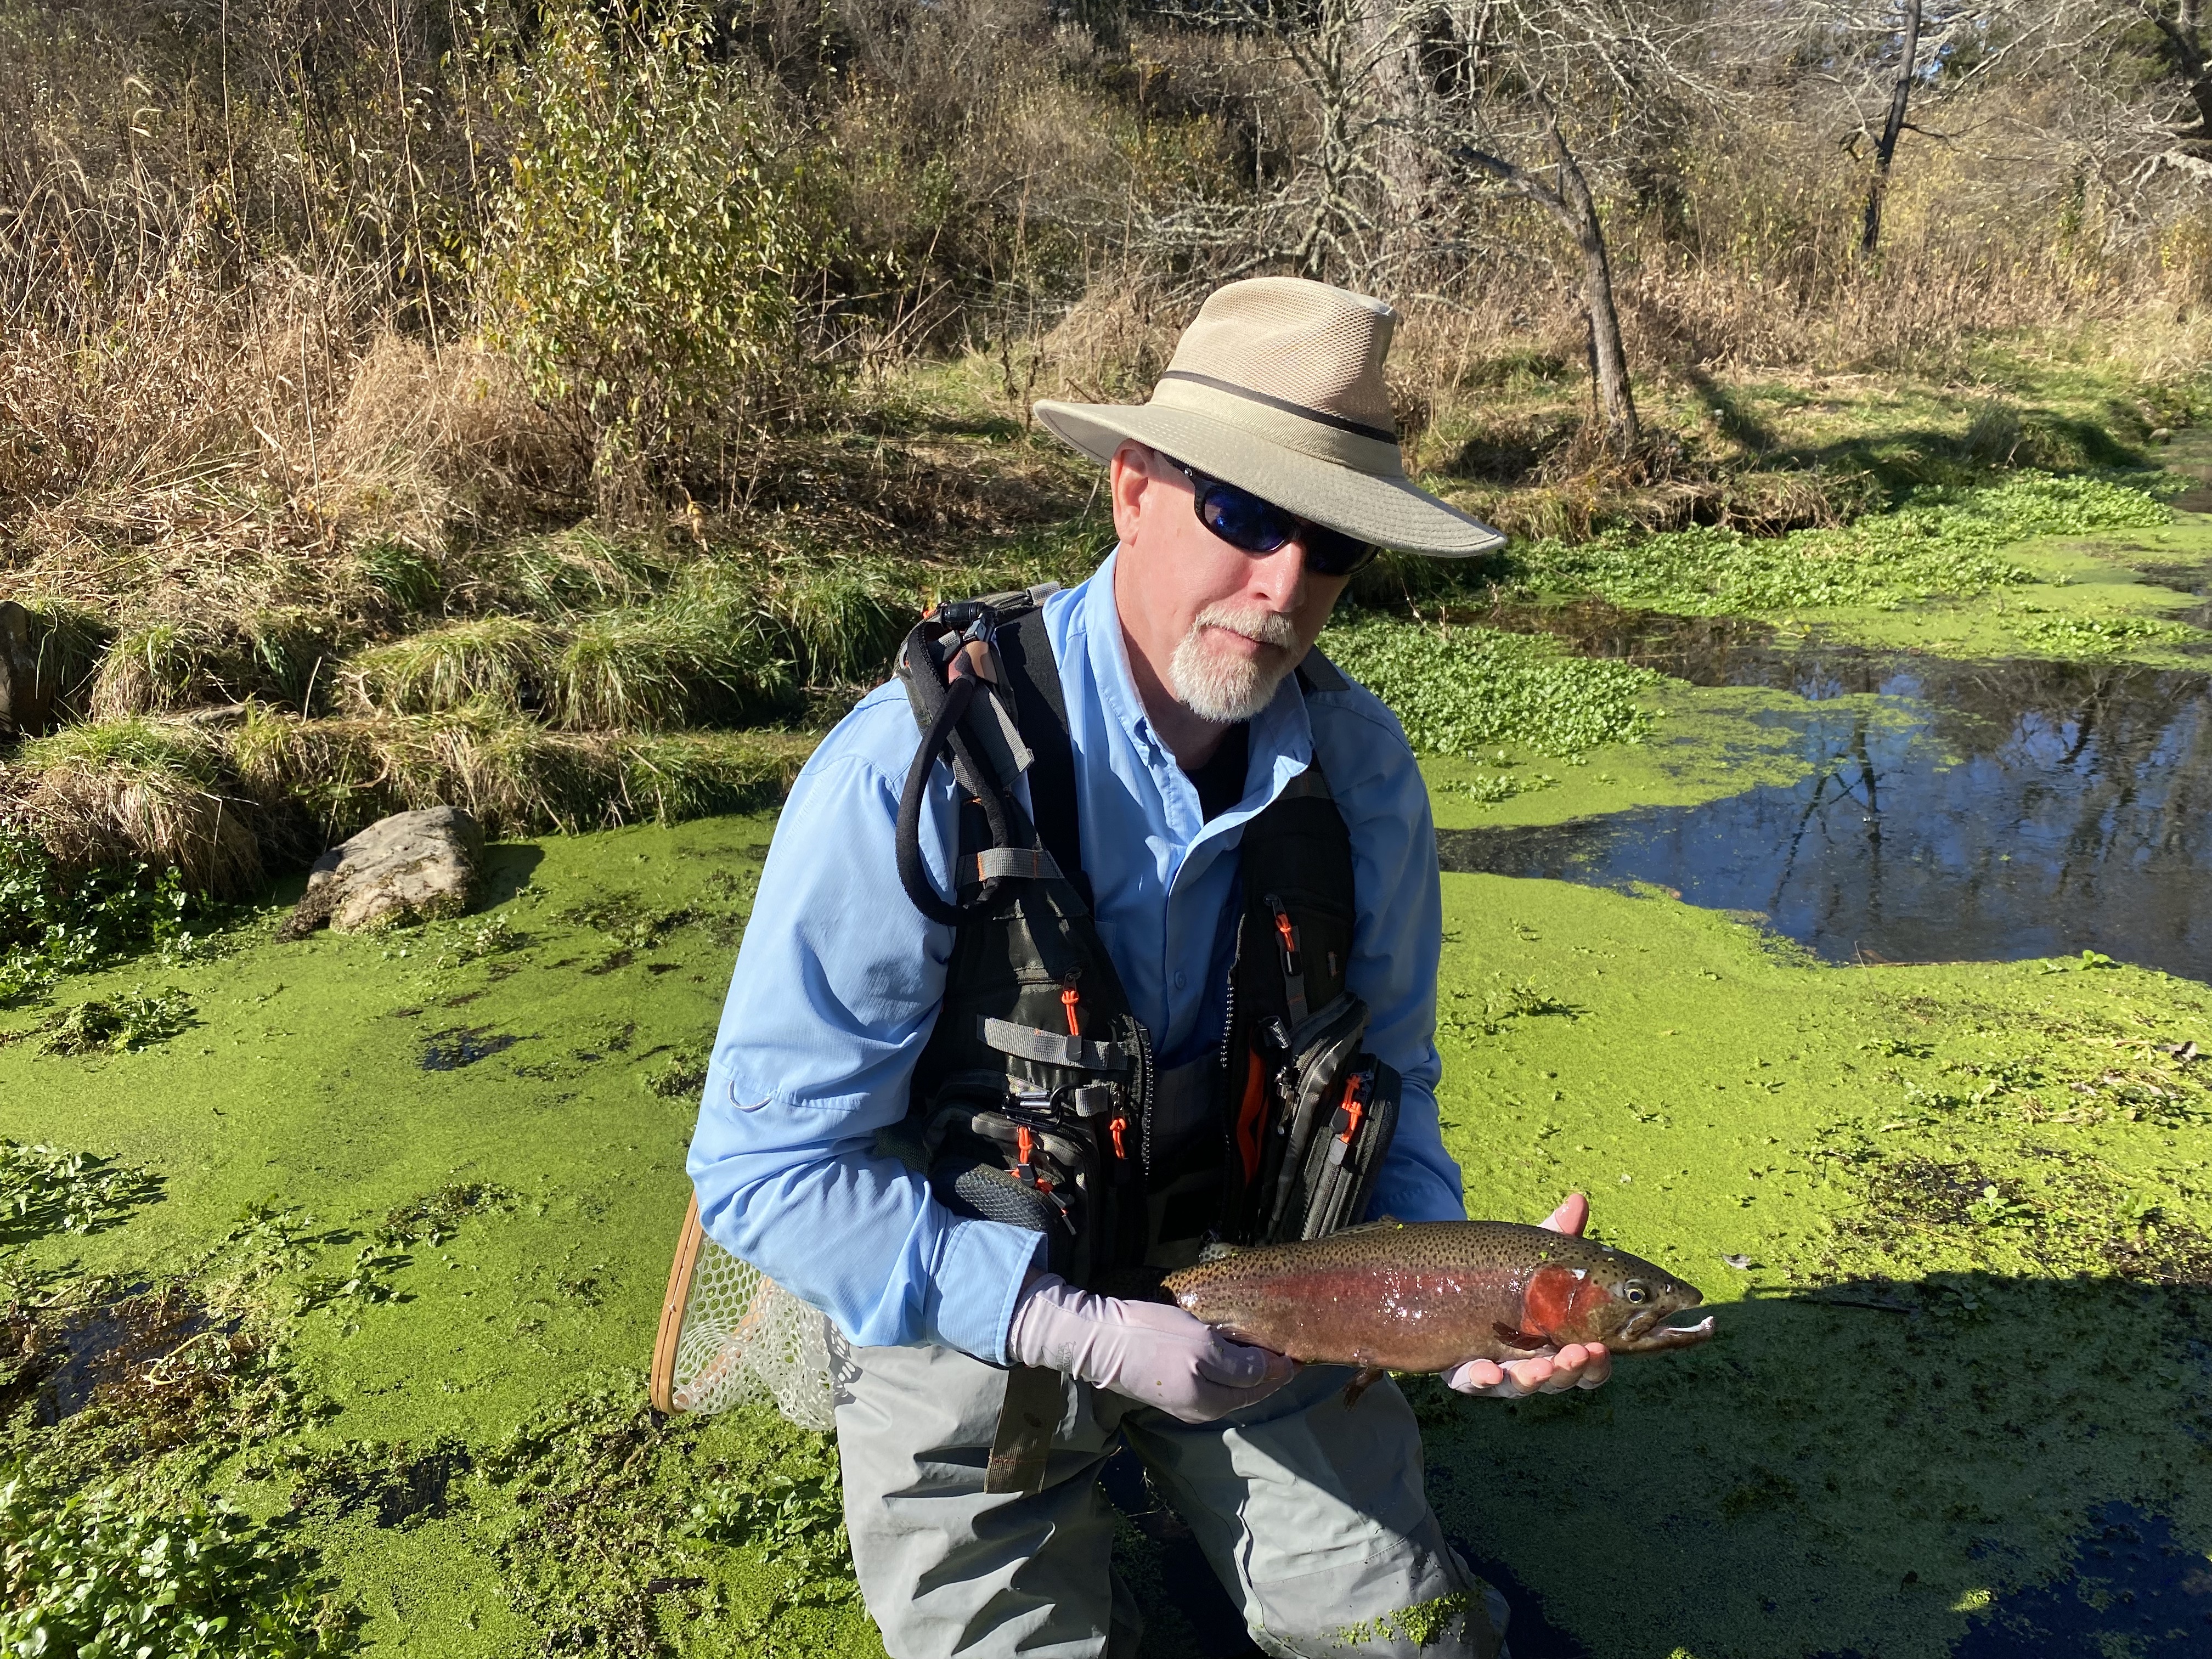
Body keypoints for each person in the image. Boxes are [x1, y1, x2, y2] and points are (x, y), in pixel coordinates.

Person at [687, 276, 1612, 1659]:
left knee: (1418, 1645)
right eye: (1240, 514)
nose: (1285, 585)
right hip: (969, 1296)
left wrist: (1444, 1306)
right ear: (1131, 490)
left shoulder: (1364, 787)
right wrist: (1079, 1328)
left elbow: (1391, 1082)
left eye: (1335, 544)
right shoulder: (914, 773)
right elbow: (764, 1174)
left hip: (1282, 1294)